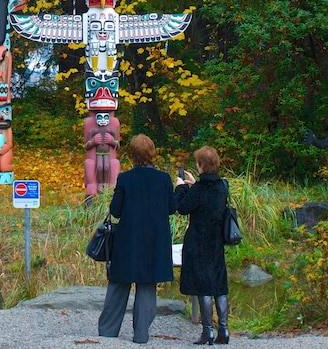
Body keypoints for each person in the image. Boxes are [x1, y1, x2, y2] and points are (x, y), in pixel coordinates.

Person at [98, 134, 176, 344]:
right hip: (154, 241)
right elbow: (172, 208)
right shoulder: (164, 179)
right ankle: (141, 335)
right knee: (147, 285)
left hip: (128, 239)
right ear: (152, 153)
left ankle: (107, 331)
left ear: (132, 155)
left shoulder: (125, 178)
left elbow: (115, 211)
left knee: (119, 283)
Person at [175, 145, 231, 345]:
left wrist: (181, 186)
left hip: (198, 241)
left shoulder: (198, 189)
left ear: (200, 165)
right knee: (219, 285)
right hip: (217, 241)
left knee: (203, 286)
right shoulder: (223, 185)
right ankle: (223, 330)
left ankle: (207, 330)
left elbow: (182, 207)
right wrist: (193, 184)